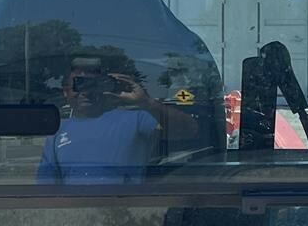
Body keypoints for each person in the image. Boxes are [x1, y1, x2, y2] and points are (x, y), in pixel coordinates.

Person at [36, 55, 194, 185]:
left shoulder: (136, 119)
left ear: (102, 88)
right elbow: (45, 189)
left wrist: (146, 102)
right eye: (79, 85)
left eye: (93, 85)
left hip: (126, 214)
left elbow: (188, 130)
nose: (86, 92)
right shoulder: (57, 130)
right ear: (66, 92)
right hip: (75, 218)